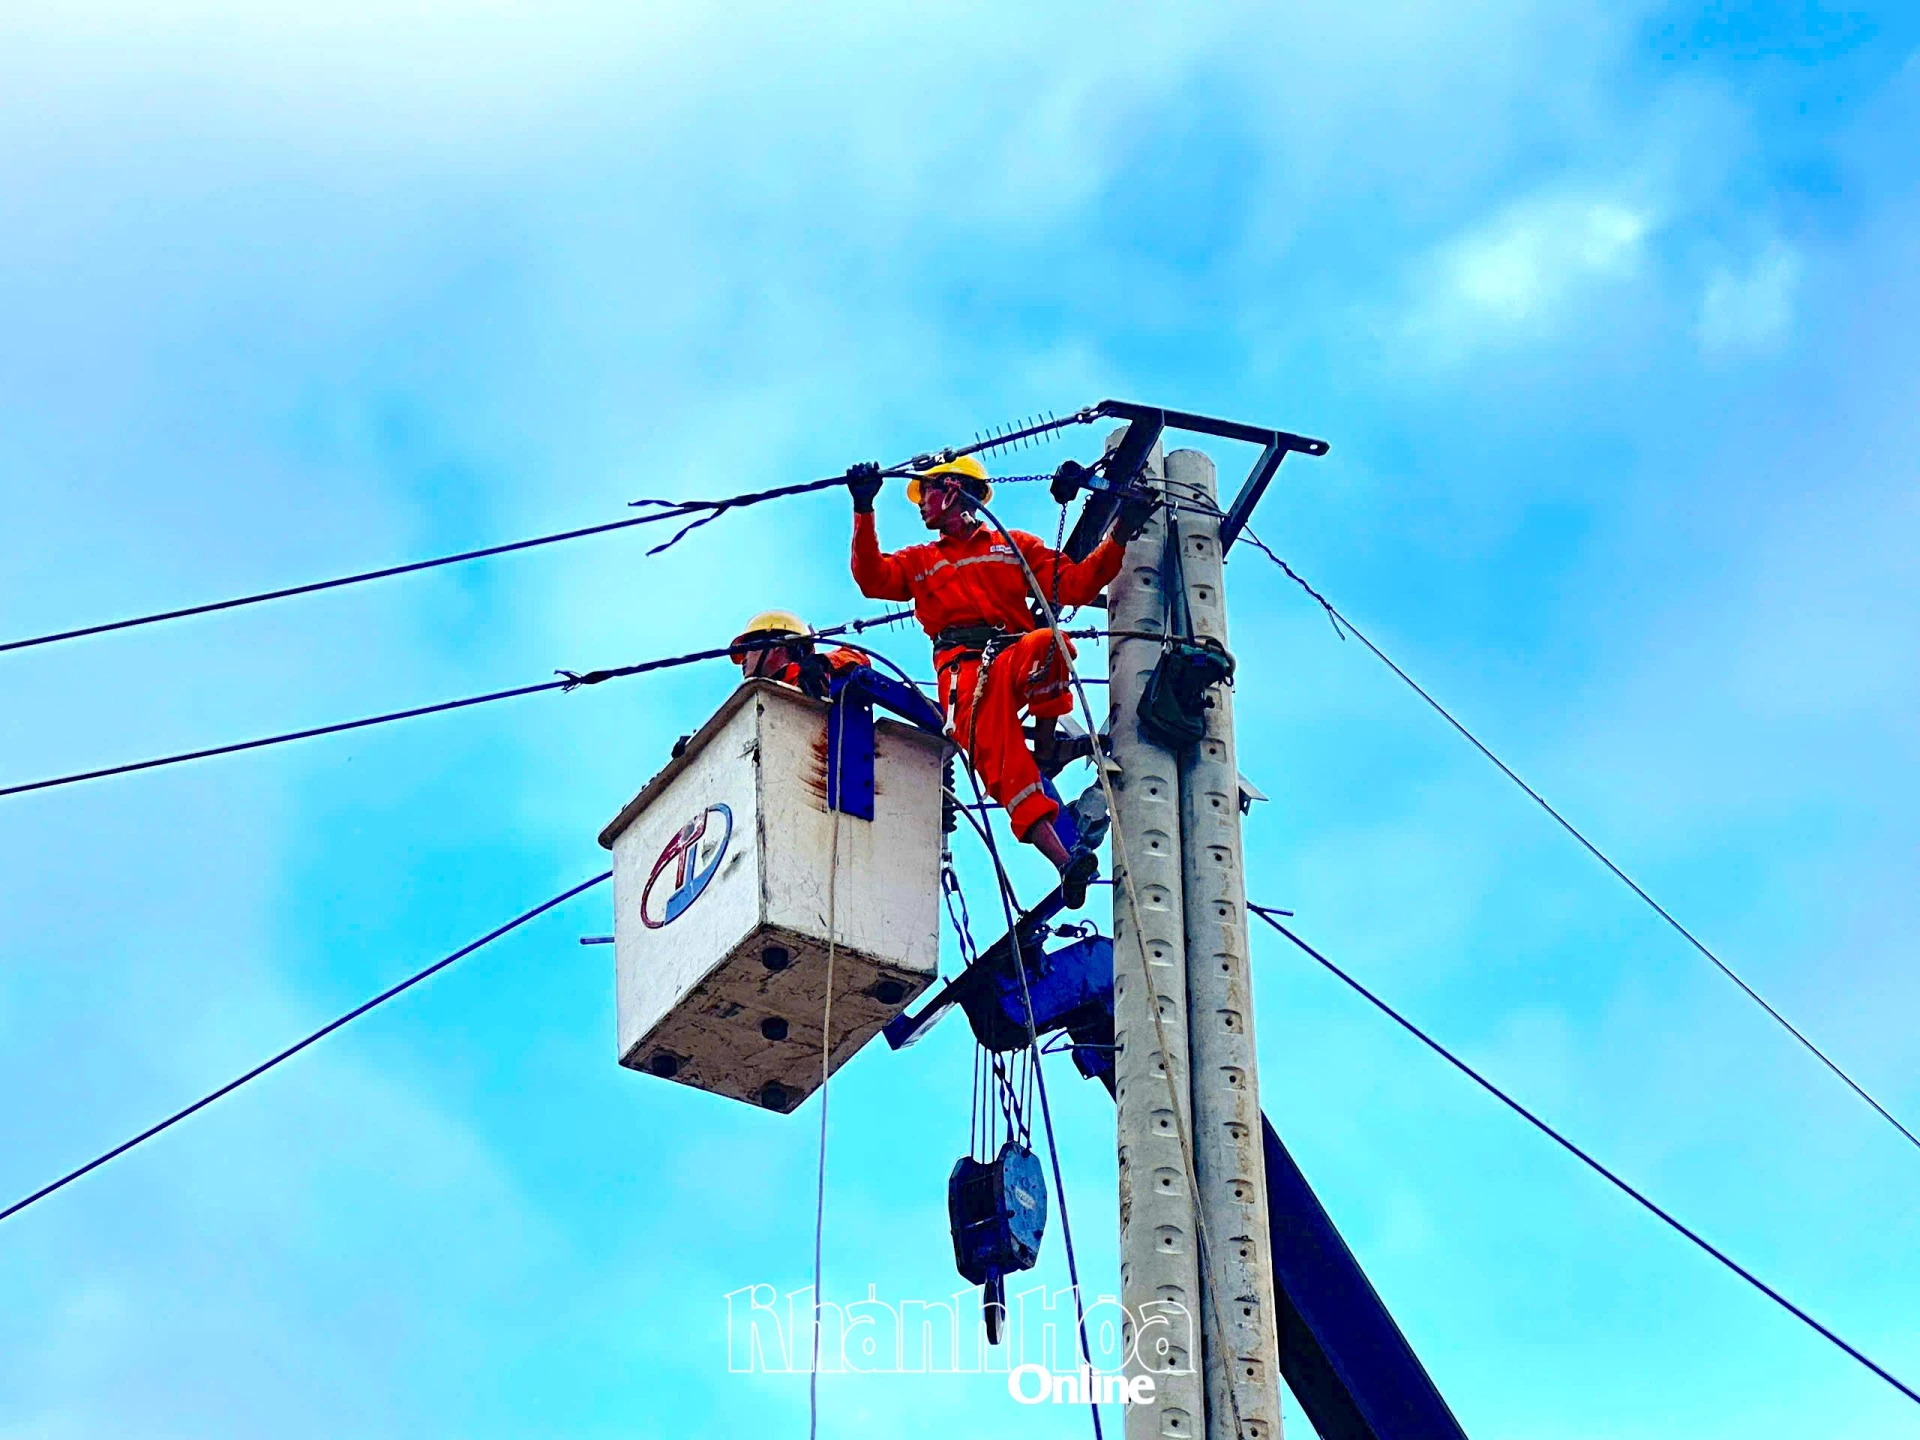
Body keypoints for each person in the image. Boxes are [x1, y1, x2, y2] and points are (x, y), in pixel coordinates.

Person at [845, 456, 1130, 907]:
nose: (921, 506)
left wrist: (1119, 534)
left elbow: (1073, 584)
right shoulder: (921, 561)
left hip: (1010, 652)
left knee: (1049, 642)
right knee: (1002, 763)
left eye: (928, 493)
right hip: (963, 672)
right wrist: (864, 508)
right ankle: (1064, 861)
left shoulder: (1010, 546)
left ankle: (1045, 744)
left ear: (954, 489)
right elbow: (872, 577)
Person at [728, 610, 870, 699]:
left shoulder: (814, 678)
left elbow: (861, 662)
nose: (744, 660)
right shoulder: (752, 700)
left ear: (776, 646)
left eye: (750, 649)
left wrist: (822, 662)